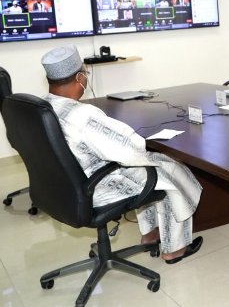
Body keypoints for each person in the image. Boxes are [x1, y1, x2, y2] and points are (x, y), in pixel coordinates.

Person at [40, 45, 203, 264]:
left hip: (63, 185)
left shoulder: (40, 107)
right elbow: (130, 150)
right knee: (171, 170)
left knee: (150, 169)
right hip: (95, 187)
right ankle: (175, 249)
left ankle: (150, 234)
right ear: (79, 77)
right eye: (85, 74)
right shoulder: (83, 116)